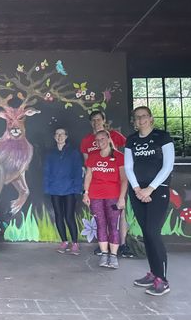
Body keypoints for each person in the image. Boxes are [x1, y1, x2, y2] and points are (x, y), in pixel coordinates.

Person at [124, 106, 174, 296]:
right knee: (146, 233)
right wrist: (137, 189)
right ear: (134, 121)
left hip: (157, 191)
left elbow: (168, 166)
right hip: (137, 192)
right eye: (137, 117)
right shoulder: (132, 140)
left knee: (153, 232)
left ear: (151, 118)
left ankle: (162, 280)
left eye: (144, 116)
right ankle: (153, 273)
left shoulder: (163, 137)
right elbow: (129, 166)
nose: (141, 120)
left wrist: (150, 188)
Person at [81, 110, 133, 258]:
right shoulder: (86, 140)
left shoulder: (114, 135)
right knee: (101, 218)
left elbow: (129, 147)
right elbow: (88, 165)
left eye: (98, 120)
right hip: (97, 187)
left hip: (116, 185)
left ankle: (122, 245)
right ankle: (103, 246)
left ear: (104, 121)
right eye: (93, 120)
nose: (96, 123)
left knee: (118, 216)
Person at [82, 130, 127, 269]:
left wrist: (121, 198)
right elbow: (88, 175)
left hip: (113, 196)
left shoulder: (119, 156)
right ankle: (104, 254)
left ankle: (113, 256)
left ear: (108, 139)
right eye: (97, 140)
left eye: (103, 138)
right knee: (100, 224)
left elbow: (124, 180)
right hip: (95, 196)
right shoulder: (93, 156)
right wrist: (86, 193)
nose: (100, 142)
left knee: (113, 226)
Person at [43, 128, 83, 255]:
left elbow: (78, 171)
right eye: (57, 134)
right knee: (59, 215)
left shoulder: (73, 152)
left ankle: (75, 243)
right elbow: (46, 172)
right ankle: (64, 241)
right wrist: (47, 187)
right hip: (55, 189)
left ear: (66, 136)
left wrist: (77, 188)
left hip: (70, 189)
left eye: (62, 134)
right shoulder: (50, 154)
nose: (60, 136)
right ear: (54, 137)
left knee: (69, 216)